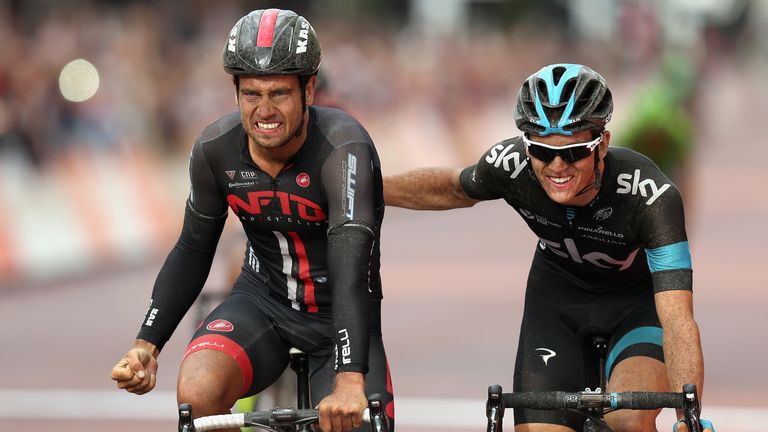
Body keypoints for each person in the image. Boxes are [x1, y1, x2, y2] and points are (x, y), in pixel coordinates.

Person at [384, 63, 713, 432]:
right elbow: (451, 187)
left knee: (627, 420)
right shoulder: (510, 166)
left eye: (573, 153)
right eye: (541, 151)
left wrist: (689, 417)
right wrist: (368, 186)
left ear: (601, 145)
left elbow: (678, 320)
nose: (557, 166)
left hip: (635, 306)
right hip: (557, 300)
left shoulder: (651, 196)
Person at [110, 9, 394, 432]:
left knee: (354, 425)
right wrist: (146, 345)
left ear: (309, 89)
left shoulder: (343, 148)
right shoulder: (215, 149)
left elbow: (350, 268)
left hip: (339, 316)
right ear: (235, 91)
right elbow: (193, 247)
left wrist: (350, 378)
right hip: (263, 302)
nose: (265, 111)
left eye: (279, 93)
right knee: (197, 390)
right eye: (251, 94)